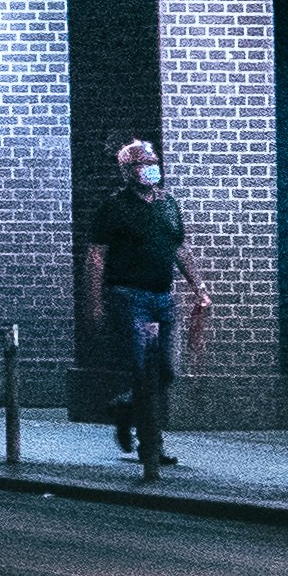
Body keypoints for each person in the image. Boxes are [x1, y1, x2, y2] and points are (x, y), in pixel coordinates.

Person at [78, 137, 202, 476]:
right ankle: (151, 446)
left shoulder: (168, 205)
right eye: (141, 162)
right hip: (129, 297)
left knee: (165, 370)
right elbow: (96, 257)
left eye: (153, 160)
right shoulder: (114, 207)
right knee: (144, 371)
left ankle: (126, 408)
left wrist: (198, 287)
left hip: (163, 298)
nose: (150, 166)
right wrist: (94, 302)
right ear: (126, 171)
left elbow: (180, 249)